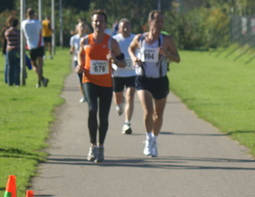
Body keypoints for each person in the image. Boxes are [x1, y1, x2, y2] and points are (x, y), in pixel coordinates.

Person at [75, 10, 126, 163]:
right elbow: (80, 55)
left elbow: (123, 63)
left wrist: (114, 60)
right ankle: (92, 145)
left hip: (106, 83)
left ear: (105, 24)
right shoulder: (85, 41)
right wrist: (79, 65)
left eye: (101, 21)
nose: (98, 24)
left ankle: (101, 146)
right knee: (92, 109)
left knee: (103, 117)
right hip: (89, 80)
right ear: (92, 23)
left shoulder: (112, 42)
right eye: (96, 21)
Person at [128, 10, 181, 157]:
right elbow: (131, 48)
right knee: (148, 111)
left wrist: (167, 54)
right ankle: (148, 138)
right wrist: (133, 58)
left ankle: (154, 140)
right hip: (143, 80)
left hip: (160, 81)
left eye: (162, 22)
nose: (160, 24)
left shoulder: (166, 40)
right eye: (157, 21)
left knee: (158, 115)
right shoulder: (140, 38)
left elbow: (178, 58)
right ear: (150, 22)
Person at [112, 18, 137, 134]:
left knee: (130, 95)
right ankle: (119, 104)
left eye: (127, 27)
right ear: (119, 28)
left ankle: (127, 123)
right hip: (118, 73)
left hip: (132, 73)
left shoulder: (135, 39)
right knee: (117, 98)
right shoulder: (114, 40)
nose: (125, 29)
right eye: (123, 27)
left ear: (131, 28)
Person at [21, 8, 48, 87]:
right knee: (40, 64)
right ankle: (40, 80)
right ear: (33, 14)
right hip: (39, 45)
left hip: (30, 45)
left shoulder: (24, 23)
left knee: (34, 65)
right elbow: (40, 31)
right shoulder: (37, 22)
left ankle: (41, 80)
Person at [70, 21, 89, 102]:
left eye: (83, 27)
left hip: (87, 61)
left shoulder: (88, 38)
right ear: (77, 28)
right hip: (77, 61)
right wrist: (71, 51)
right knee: (80, 79)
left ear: (86, 29)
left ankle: (89, 95)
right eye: (80, 26)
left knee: (87, 79)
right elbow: (72, 49)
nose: (82, 28)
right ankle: (84, 96)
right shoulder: (73, 38)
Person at [3, 17, 21, 86]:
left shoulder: (7, 32)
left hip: (9, 50)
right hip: (16, 50)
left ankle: (9, 82)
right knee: (17, 66)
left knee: (10, 66)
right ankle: (17, 82)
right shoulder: (18, 32)